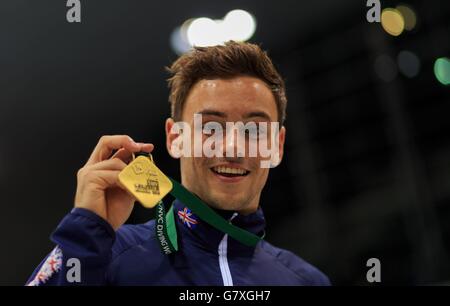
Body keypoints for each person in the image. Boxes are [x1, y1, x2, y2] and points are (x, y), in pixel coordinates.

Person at [26, 41, 330, 286]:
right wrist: (85, 238)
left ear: (276, 145)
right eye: (211, 128)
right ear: (175, 138)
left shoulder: (306, 280)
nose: (233, 149)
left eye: (255, 130)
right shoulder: (106, 257)